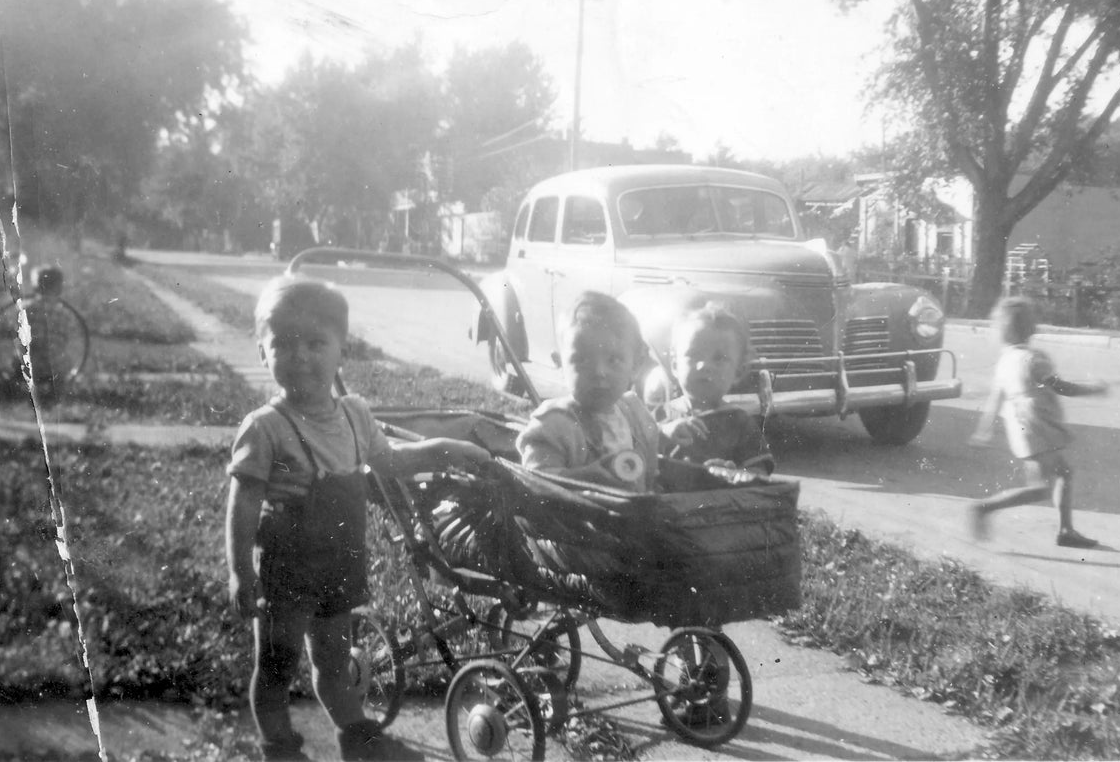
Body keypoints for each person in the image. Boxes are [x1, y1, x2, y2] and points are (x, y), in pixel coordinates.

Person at [226, 275, 491, 761]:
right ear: (262, 353)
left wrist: (443, 448)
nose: (301, 355)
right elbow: (243, 503)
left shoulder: (355, 415)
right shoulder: (266, 428)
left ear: (340, 351)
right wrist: (240, 571)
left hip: (339, 564)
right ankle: (278, 744)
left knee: (331, 657)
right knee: (278, 664)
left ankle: (354, 730)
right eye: (283, 344)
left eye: (316, 343)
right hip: (288, 569)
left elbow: (391, 464)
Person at [968, 296, 1108, 549]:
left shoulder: (1005, 360)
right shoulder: (1035, 359)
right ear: (1030, 327)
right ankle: (985, 508)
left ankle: (1066, 530)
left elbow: (995, 400)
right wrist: (1093, 389)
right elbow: (1063, 387)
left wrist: (984, 430)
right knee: (1040, 488)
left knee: (1063, 474)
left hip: (1022, 427)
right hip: (1038, 426)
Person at [516, 291, 660, 491]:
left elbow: (653, 455)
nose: (599, 372)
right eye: (581, 360)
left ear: (635, 365)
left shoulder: (633, 413)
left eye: (614, 360)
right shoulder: (554, 424)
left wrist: (670, 434)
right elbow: (534, 481)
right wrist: (582, 478)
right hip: (574, 520)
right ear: (560, 363)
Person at [657, 302, 773, 480]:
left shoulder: (740, 423)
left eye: (719, 359)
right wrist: (662, 433)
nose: (704, 365)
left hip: (718, 504)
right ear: (674, 365)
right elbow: (631, 456)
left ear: (738, 371)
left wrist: (733, 475)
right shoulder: (658, 415)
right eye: (693, 354)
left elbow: (761, 476)